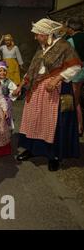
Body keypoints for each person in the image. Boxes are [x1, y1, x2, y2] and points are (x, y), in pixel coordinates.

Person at [15, 18, 82, 171]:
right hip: (37, 89)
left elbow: (76, 66)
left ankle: (54, 155)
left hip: (55, 89)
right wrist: (21, 85)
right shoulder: (41, 48)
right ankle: (32, 149)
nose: (35, 37)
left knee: (53, 122)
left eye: (37, 34)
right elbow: (33, 69)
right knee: (34, 119)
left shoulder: (64, 46)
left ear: (46, 34)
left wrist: (58, 78)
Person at [65, 17, 84, 135]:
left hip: (77, 72)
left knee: (74, 100)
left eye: (67, 27)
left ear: (71, 28)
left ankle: (78, 127)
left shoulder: (71, 41)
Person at [0, 60, 18, 129]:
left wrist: (13, 93)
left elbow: (13, 90)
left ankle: (7, 132)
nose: (3, 72)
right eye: (0, 71)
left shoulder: (8, 81)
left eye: (4, 70)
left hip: (6, 102)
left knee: (6, 117)